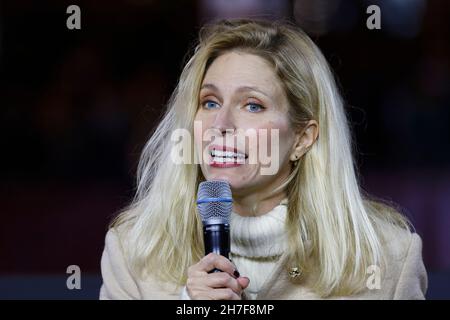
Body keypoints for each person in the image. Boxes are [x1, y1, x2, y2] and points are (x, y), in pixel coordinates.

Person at [99, 19, 427, 300]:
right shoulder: (133, 252)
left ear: (302, 138)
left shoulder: (387, 258)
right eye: (210, 102)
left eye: (252, 105)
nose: (221, 125)